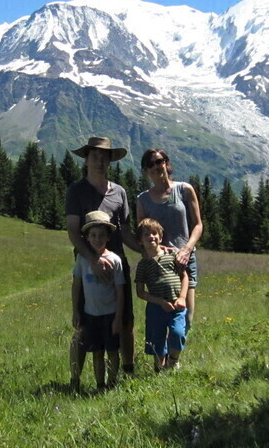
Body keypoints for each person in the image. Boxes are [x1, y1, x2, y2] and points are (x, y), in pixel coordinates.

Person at [65, 136, 141, 377]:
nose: (99, 161)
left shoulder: (119, 192)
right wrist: (92, 260)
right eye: (95, 156)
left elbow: (126, 232)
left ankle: (127, 371)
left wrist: (148, 252)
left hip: (118, 267)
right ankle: (75, 378)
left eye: (104, 157)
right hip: (87, 267)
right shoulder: (76, 191)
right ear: (86, 159)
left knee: (124, 321)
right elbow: (73, 232)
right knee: (83, 324)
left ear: (110, 161)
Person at [136, 148, 203, 334]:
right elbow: (141, 233)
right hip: (159, 263)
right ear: (145, 170)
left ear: (166, 163)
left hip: (185, 259)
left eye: (159, 161)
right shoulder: (142, 200)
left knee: (186, 315)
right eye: (150, 164)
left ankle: (174, 359)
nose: (155, 166)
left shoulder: (184, 189)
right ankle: (163, 358)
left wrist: (186, 250)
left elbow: (198, 225)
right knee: (162, 314)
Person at [71, 210, 125, 392]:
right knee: (97, 351)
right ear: (86, 237)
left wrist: (118, 318)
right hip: (91, 314)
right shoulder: (82, 259)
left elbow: (120, 290)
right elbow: (76, 285)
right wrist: (76, 311)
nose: (97, 239)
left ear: (108, 237)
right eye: (93, 235)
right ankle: (100, 384)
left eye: (102, 235)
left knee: (112, 351)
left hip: (110, 315)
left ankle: (112, 383)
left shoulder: (115, 260)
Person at [134, 217, 188, 371]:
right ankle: (159, 369)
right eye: (146, 234)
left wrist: (182, 298)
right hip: (156, 308)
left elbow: (184, 276)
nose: (151, 236)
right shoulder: (143, 265)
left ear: (161, 237)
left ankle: (173, 360)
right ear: (140, 241)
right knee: (156, 339)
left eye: (154, 233)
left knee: (177, 333)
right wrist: (160, 302)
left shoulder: (172, 256)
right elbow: (140, 292)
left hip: (177, 305)